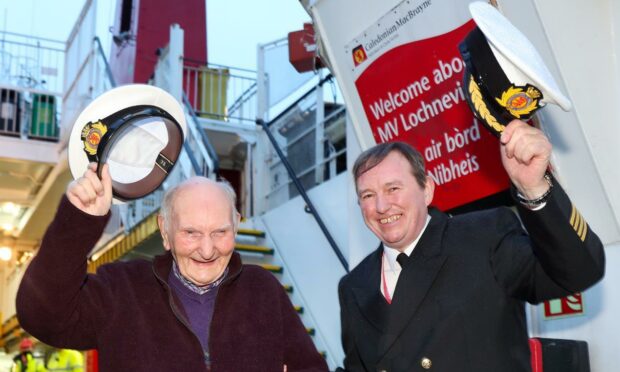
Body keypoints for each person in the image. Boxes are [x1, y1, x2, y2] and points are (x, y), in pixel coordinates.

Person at [338, 120, 605, 371]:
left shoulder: (484, 236)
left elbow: (579, 272)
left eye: (393, 188)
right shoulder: (353, 286)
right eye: (368, 195)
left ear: (427, 190)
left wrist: (534, 188)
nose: (382, 206)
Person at [16, 163, 328, 372]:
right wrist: (78, 223)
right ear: (164, 232)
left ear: (236, 227)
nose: (207, 250)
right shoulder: (121, 289)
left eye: (220, 232)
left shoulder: (263, 289)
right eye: (191, 233)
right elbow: (41, 316)